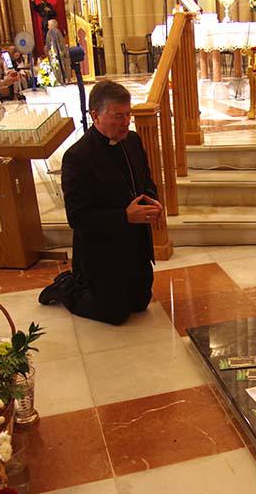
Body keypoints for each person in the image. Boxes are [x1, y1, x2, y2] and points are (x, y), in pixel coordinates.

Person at [38, 80, 163, 325]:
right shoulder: (77, 157)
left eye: (128, 115)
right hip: (101, 251)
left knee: (139, 304)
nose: (126, 122)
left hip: (135, 246)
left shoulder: (133, 141)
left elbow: (147, 182)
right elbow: (78, 217)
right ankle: (67, 286)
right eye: (118, 116)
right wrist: (124, 216)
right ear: (95, 115)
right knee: (114, 314)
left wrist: (152, 201)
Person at [44, 19, 69, 84]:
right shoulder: (48, 34)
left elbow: (61, 44)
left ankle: (63, 79)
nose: (48, 27)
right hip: (52, 55)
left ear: (52, 25)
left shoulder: (57, 32)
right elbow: (48, 45)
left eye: (49, 25)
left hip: (59, 55)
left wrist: (61, 53)